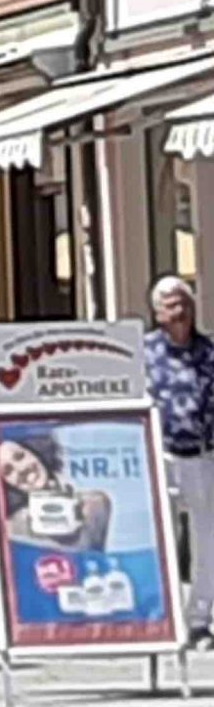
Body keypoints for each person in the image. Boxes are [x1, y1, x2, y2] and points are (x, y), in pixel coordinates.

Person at [148, 274, 214, 641]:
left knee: (207, 540)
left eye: (185, 304)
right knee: (163, 537)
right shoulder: (144, 352)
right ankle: (166, 615)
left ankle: (199, 619)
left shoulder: (209, 352)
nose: (180, 312)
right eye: (172, 306)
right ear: (158, 313)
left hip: (202, 455)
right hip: (160, 453)